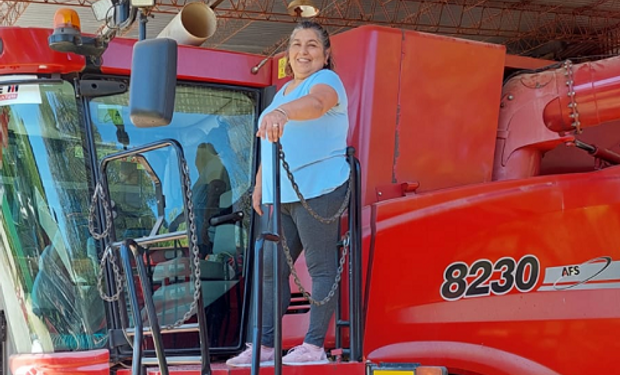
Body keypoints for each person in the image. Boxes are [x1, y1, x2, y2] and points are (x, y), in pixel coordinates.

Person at [226, 20, 350, 366]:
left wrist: (281, 112)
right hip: (280, 196)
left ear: (325, 54)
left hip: (319, 190)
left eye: (312, 45)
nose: (303, 51)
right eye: (296, 45)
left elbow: (316, 105)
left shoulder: (326, 82)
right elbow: (272, 140)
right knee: (270, 267)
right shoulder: (283, 91)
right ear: (288, 54)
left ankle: (314, 347)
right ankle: (265, 346)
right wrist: (261, 182)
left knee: (320, 266)